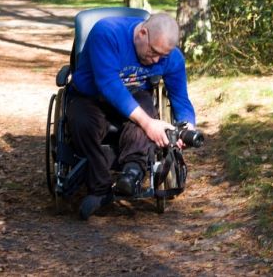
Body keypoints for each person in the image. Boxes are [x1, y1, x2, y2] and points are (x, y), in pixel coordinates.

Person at [66, 12, 196, 220]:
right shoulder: (107, 33)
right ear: (142, 33)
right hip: (90, 96)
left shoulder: (170, 57)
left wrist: (187, 127)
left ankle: (132, 173)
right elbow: (109, 85)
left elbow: (180, 99)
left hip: (135, 95)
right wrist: (147, 123)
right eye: (153, 52)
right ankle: (100, 190)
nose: (155, 60)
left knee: (148, 109)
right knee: (82, 124)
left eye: (162, 57)